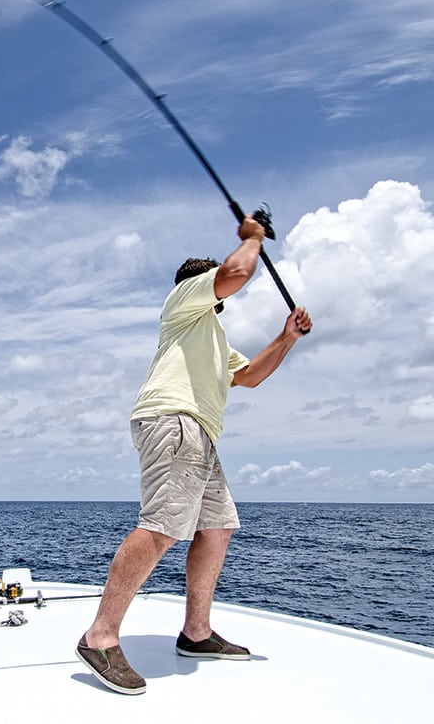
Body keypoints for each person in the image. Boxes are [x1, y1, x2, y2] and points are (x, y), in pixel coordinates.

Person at [75, 215, 312, 695]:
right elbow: (238, 273)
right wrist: (253, 238)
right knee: (163, 525)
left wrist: (286, 337)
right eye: (212, 282)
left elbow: (249, 377)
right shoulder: (183, 301)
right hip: (173, 419)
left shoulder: (214, 339)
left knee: (217, 526)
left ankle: (196, 633)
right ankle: (99, 637)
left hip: (200, 432)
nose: (217, 287)